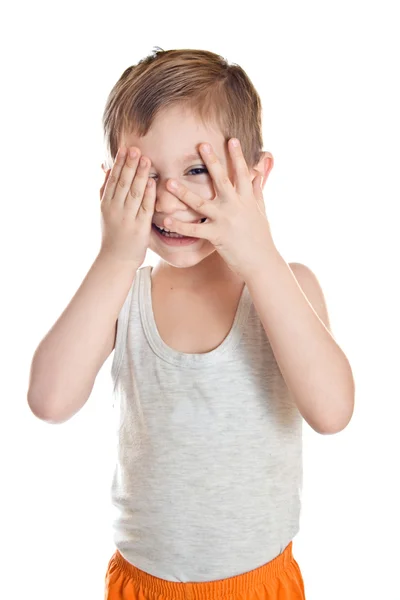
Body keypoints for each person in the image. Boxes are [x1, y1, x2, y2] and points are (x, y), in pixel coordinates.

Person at [27, 48, 355, 599]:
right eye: (145, 175)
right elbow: (49, 400)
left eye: (196, 170)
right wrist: (115, 256)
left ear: (255, 177)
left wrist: (260, 255)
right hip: (143, 584)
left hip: (260, 584)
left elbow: (333, 412)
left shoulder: (285, 286)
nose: (168, 198)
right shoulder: (123, 297)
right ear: (112, 184)